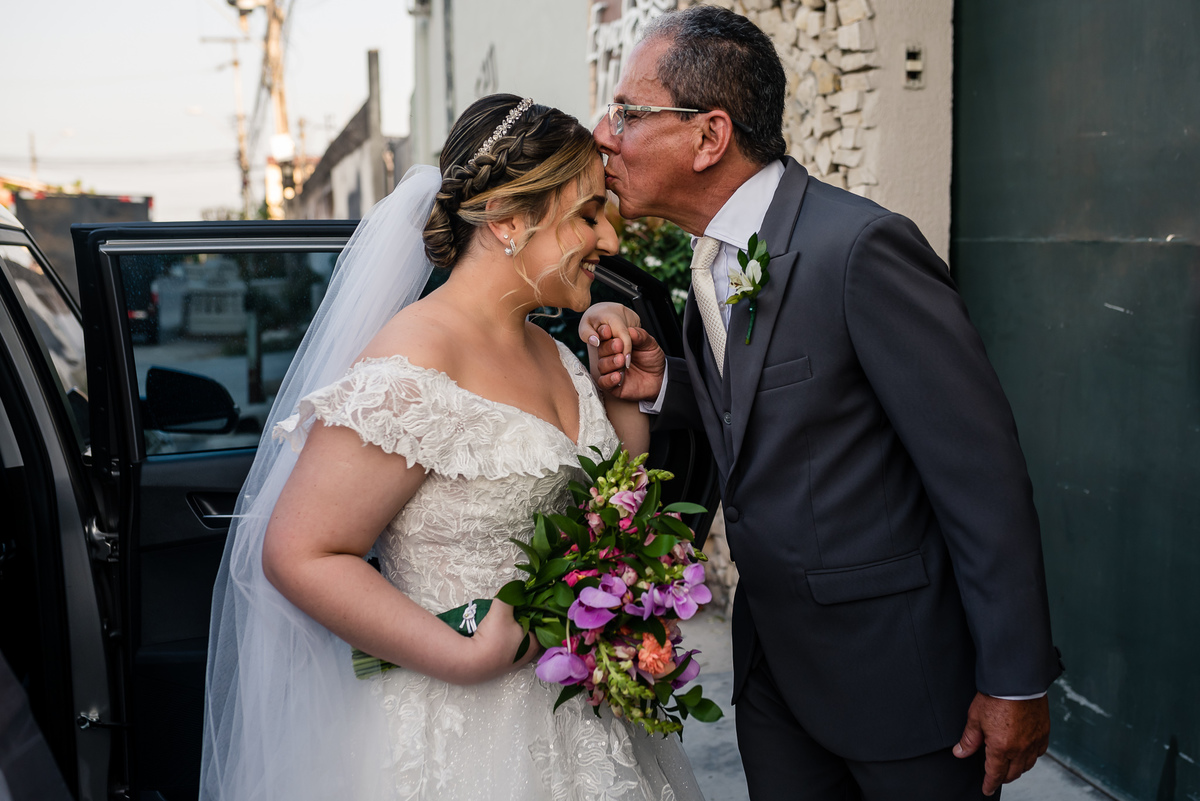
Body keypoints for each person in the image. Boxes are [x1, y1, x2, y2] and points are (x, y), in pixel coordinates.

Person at [581, 7, 1063, 800]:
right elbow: (783, 410)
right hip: (774, 677)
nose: (606, 133)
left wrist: (1015, 679)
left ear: (709, 136)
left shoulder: (861, 249)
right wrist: (669, 383)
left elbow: (981, 473)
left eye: (629, 113)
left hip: (904, 684)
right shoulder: (711, 257)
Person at [200, 94, 704, 800]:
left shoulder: (553, 351)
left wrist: (618, 387)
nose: (612, 240)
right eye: (589, 215)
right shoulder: (415, 361)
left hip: (577, 714)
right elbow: (299, 551)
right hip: (458, 733)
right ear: (507, 222)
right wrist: (462, 655)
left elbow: (610, 503)